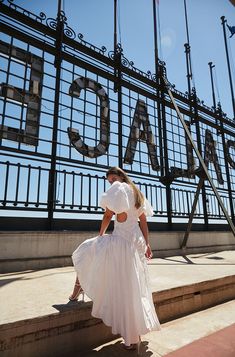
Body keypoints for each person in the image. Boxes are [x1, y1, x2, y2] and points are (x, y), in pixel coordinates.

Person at [69, 166, 161, 353]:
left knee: (87, 252)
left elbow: (108, 214)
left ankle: (76, 292)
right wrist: (147, 244)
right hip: (135, 244)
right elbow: (143, 221)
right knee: (134, 290)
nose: (111, 183)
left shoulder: (119, 189)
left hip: (120, 243)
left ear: (120, 176)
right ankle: (133, 338)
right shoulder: (136, 192)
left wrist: (101, 234)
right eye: (109, 181)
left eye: (113, 178)